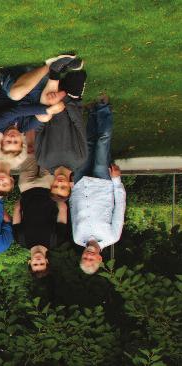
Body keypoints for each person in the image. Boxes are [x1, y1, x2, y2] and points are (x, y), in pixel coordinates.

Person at [71, 97, 125, 275]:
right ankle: (103, 107)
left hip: (81, 184)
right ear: (99, 259)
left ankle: (93, 113)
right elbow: (120, 208)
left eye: (84, 258)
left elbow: (73, 211)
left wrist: (72, 189)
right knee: (102, 143)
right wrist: (116, 181)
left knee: (87, 145)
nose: (87, 256)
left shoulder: (78, 238)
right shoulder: (112, 237)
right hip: (103, 183)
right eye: (91, 259)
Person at [29, 55, 90, 200]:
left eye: (56, 186)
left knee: (50, 82)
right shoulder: (80, 159)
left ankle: (56, 70)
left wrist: (50, 108)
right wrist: (65, 101)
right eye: (63, 187)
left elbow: (38, 129)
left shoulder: (42, 161)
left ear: (52, 185)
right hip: (70, 104)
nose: (60, 183)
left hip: (48, 106)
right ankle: (59, 71)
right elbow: (79, 125)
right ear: (71, 185)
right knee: (79, 74)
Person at [13, 153, 70, 278]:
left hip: (26, 187)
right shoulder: (56, 240)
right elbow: (62, 209)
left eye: (35, 264)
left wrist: (23, 196)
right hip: (48, 187)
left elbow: (17, 210)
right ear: (46, 261)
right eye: (41, 263)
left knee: (30, 151)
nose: (38, 260)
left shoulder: (20, 240)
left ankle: (31, 133)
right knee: (48, 155)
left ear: (30, 262)